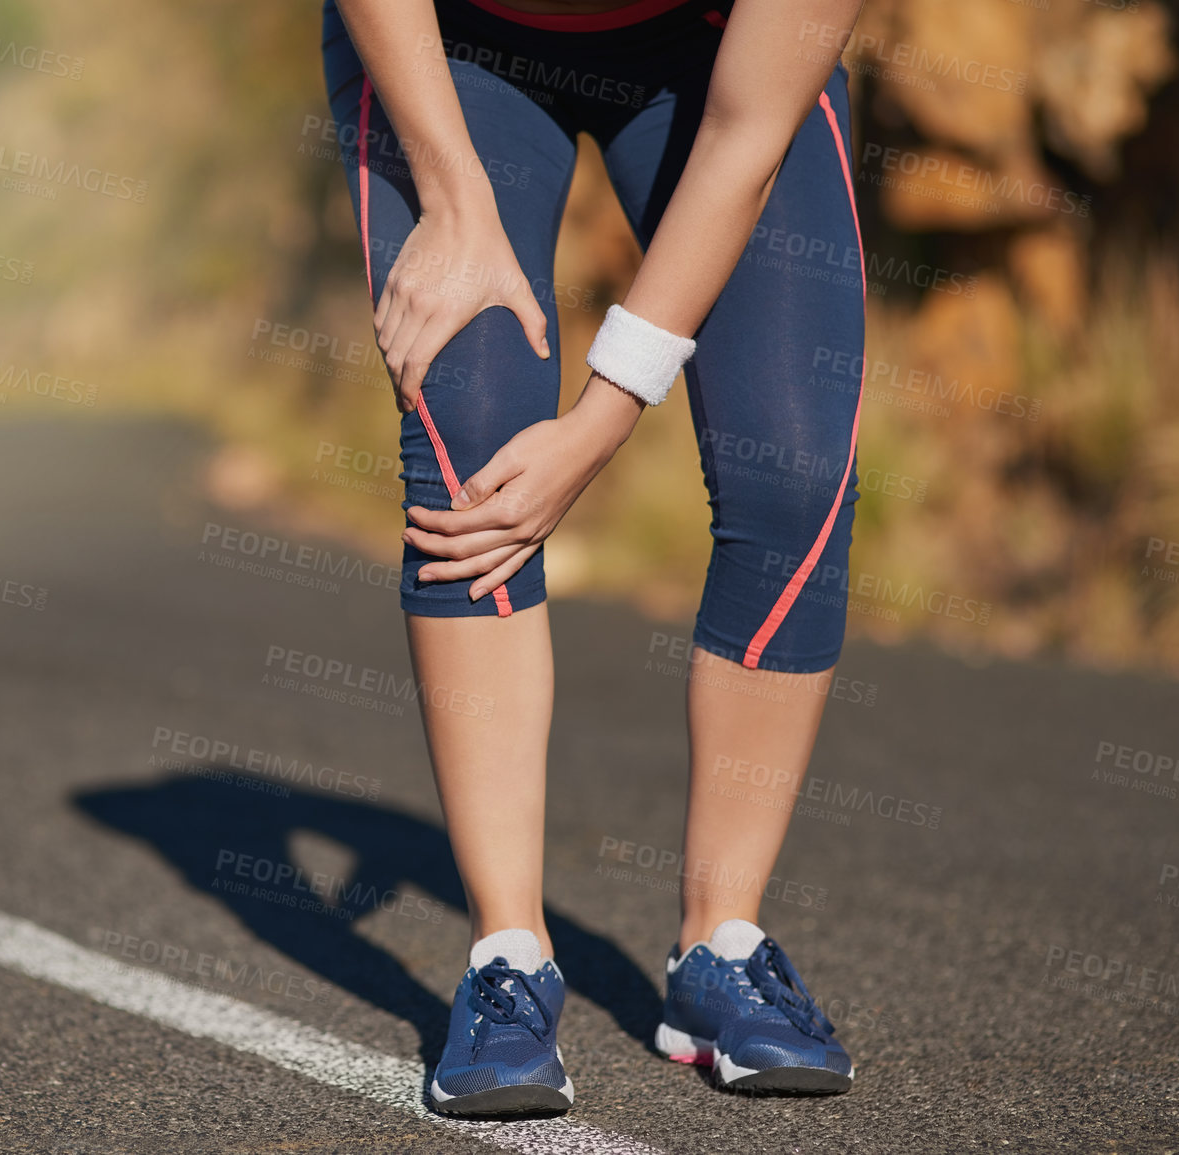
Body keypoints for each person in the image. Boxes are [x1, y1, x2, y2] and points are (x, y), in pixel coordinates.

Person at [322, 0, 867, 1114]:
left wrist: (606, 414)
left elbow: (743, 135)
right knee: (469, 430)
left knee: (794, 471)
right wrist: (455, 200)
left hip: (708, 57)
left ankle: (720, 949)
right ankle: (507, 959)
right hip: (454, 47)